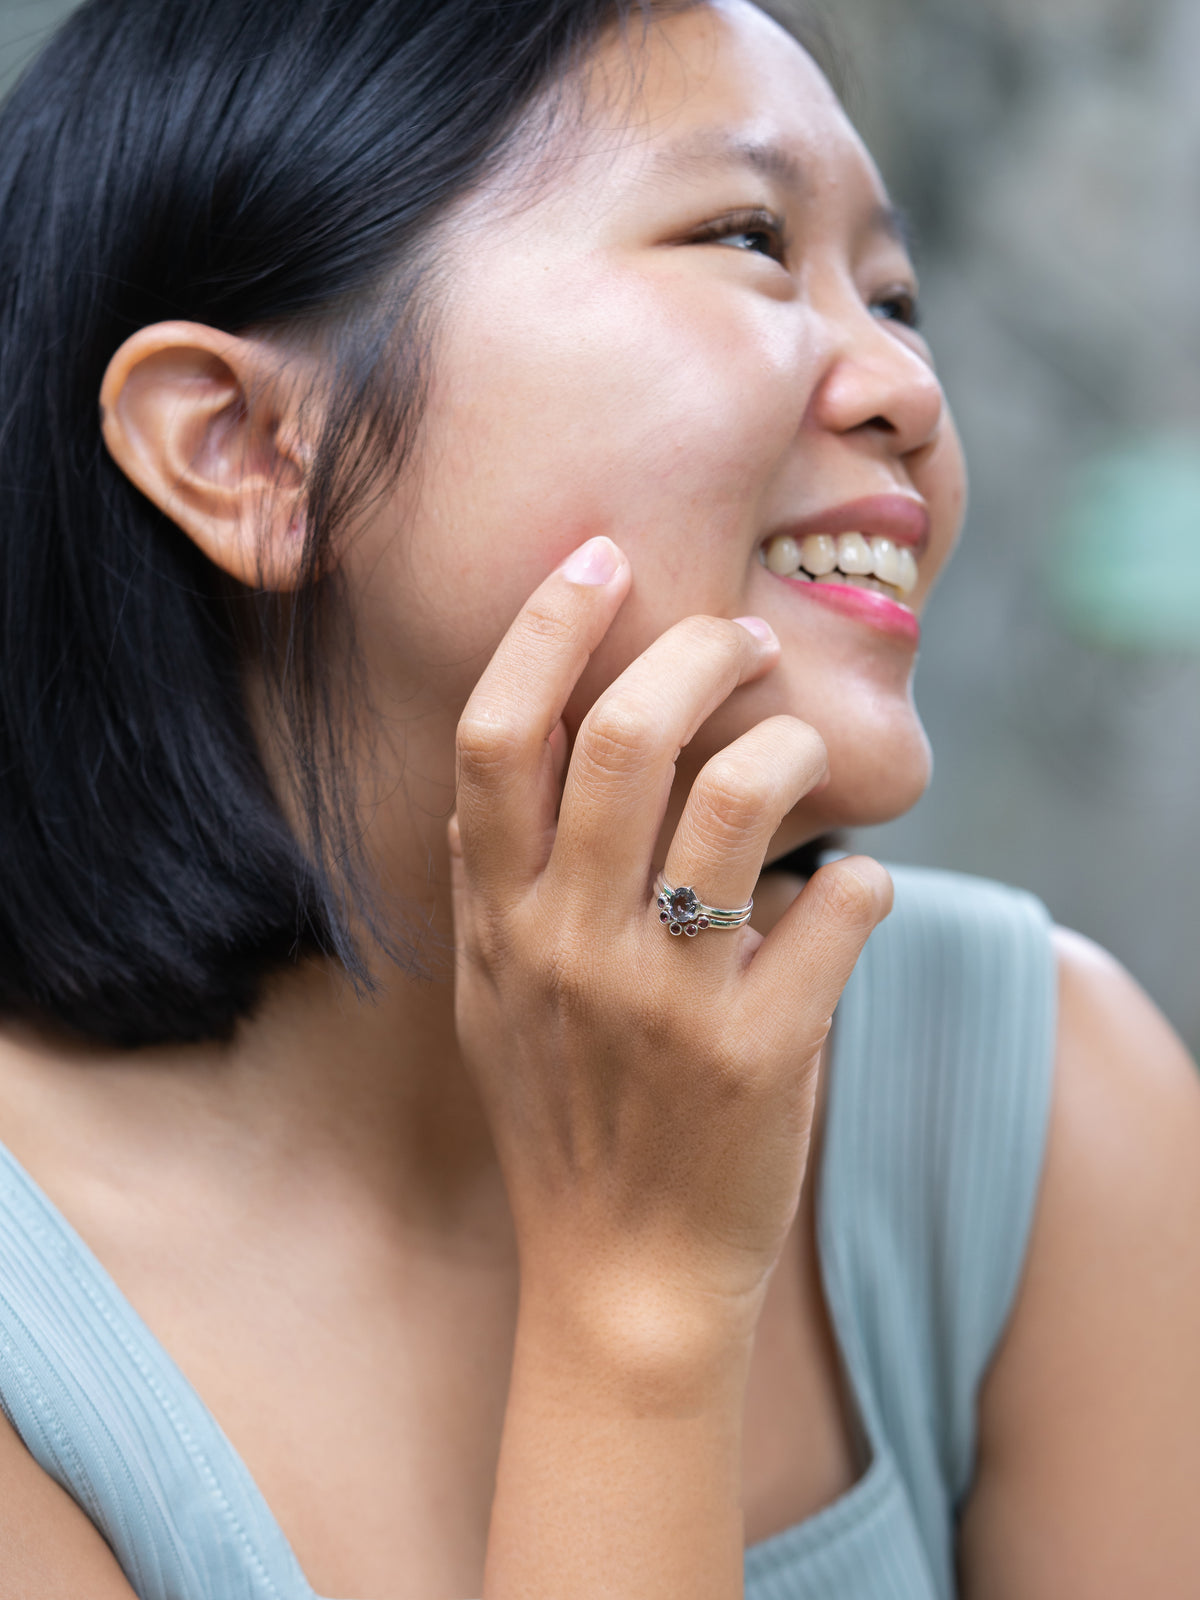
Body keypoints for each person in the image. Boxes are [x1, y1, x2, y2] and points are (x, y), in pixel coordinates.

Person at [1, 0, 1198, 1595]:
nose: (908, 387)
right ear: (248, 451)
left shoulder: (1038, 1097)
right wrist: (638, 1302)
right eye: (749, 238)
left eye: (898, 296)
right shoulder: (37, 1341)